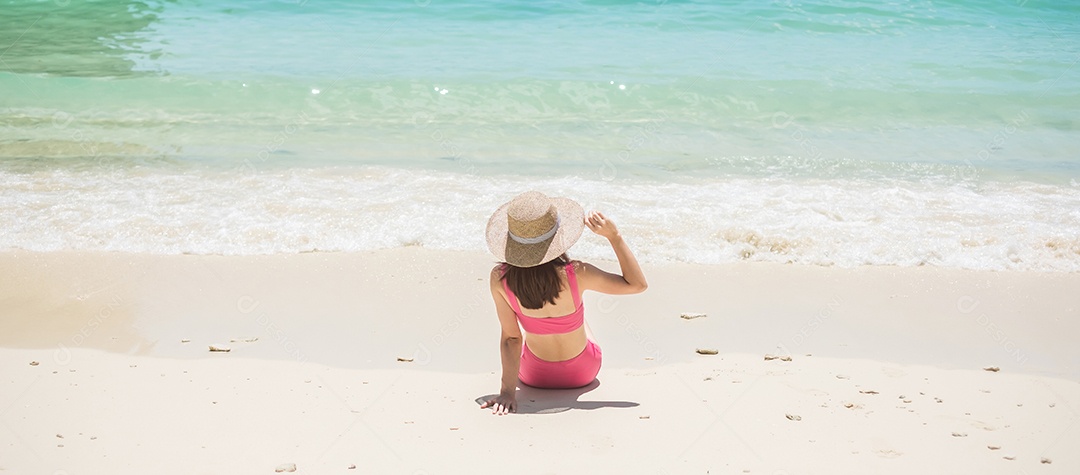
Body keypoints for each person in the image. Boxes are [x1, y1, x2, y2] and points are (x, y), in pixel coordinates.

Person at [480, 191, 647, 415]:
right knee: (577, 312)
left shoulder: (500, 279)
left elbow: (511, 338)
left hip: (533, 376)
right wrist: (614, 236)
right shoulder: (577, 273)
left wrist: (507, 392)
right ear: (557, 238)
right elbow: (637, 285)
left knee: (536, 326)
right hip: (584, 373)